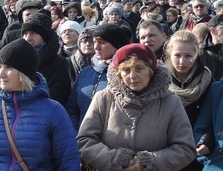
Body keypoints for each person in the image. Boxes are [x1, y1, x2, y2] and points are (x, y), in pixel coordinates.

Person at [0, 38, 81, 171]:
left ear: (24, 73)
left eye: (8, 67)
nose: (1, 74)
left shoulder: (53, 111)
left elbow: (69, 162)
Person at [77, 43, 196, 170]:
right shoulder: (104, 98)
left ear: (151, 71)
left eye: (139, 68)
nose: (133, 76)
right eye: (126, 70)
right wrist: (117, 160)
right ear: (118, 74)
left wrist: (148, 162)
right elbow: (85, 140)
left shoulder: (171, 102)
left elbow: (185, 148)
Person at [65, 23, 132, 131]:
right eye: (95, 42)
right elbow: (73, 109)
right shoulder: (86, 72)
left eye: (101, 42)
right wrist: (76, 134)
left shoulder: (127, 74)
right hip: (82, 139)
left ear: (117, 46)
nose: (96, 47)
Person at [164, 30, 212, 171]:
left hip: (195, 149)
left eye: (188, 56)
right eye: (177, 55)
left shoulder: (208, 80)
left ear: (196, 54)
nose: (182, 61)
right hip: (164, 149)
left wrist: (207, 140)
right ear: (169, 54)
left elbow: (215, 118)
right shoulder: (156, 80)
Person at [21, 12, 71, 105]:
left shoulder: (59, 64)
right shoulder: (16, 60)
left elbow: (56, 97)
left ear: (44, 37)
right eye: (25, 33)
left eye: (33, 33)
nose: (28, 38)